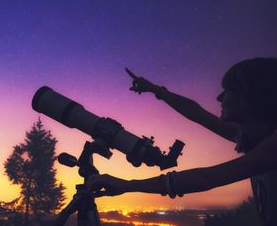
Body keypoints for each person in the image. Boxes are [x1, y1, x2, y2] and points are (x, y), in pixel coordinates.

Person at [86, 57, 277, 226]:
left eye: (227, 90)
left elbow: (207, 178)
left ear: (249, 96)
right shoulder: (252, 136)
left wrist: (129, 185)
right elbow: (196, 112)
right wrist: (155, 90)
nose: (219, 97)